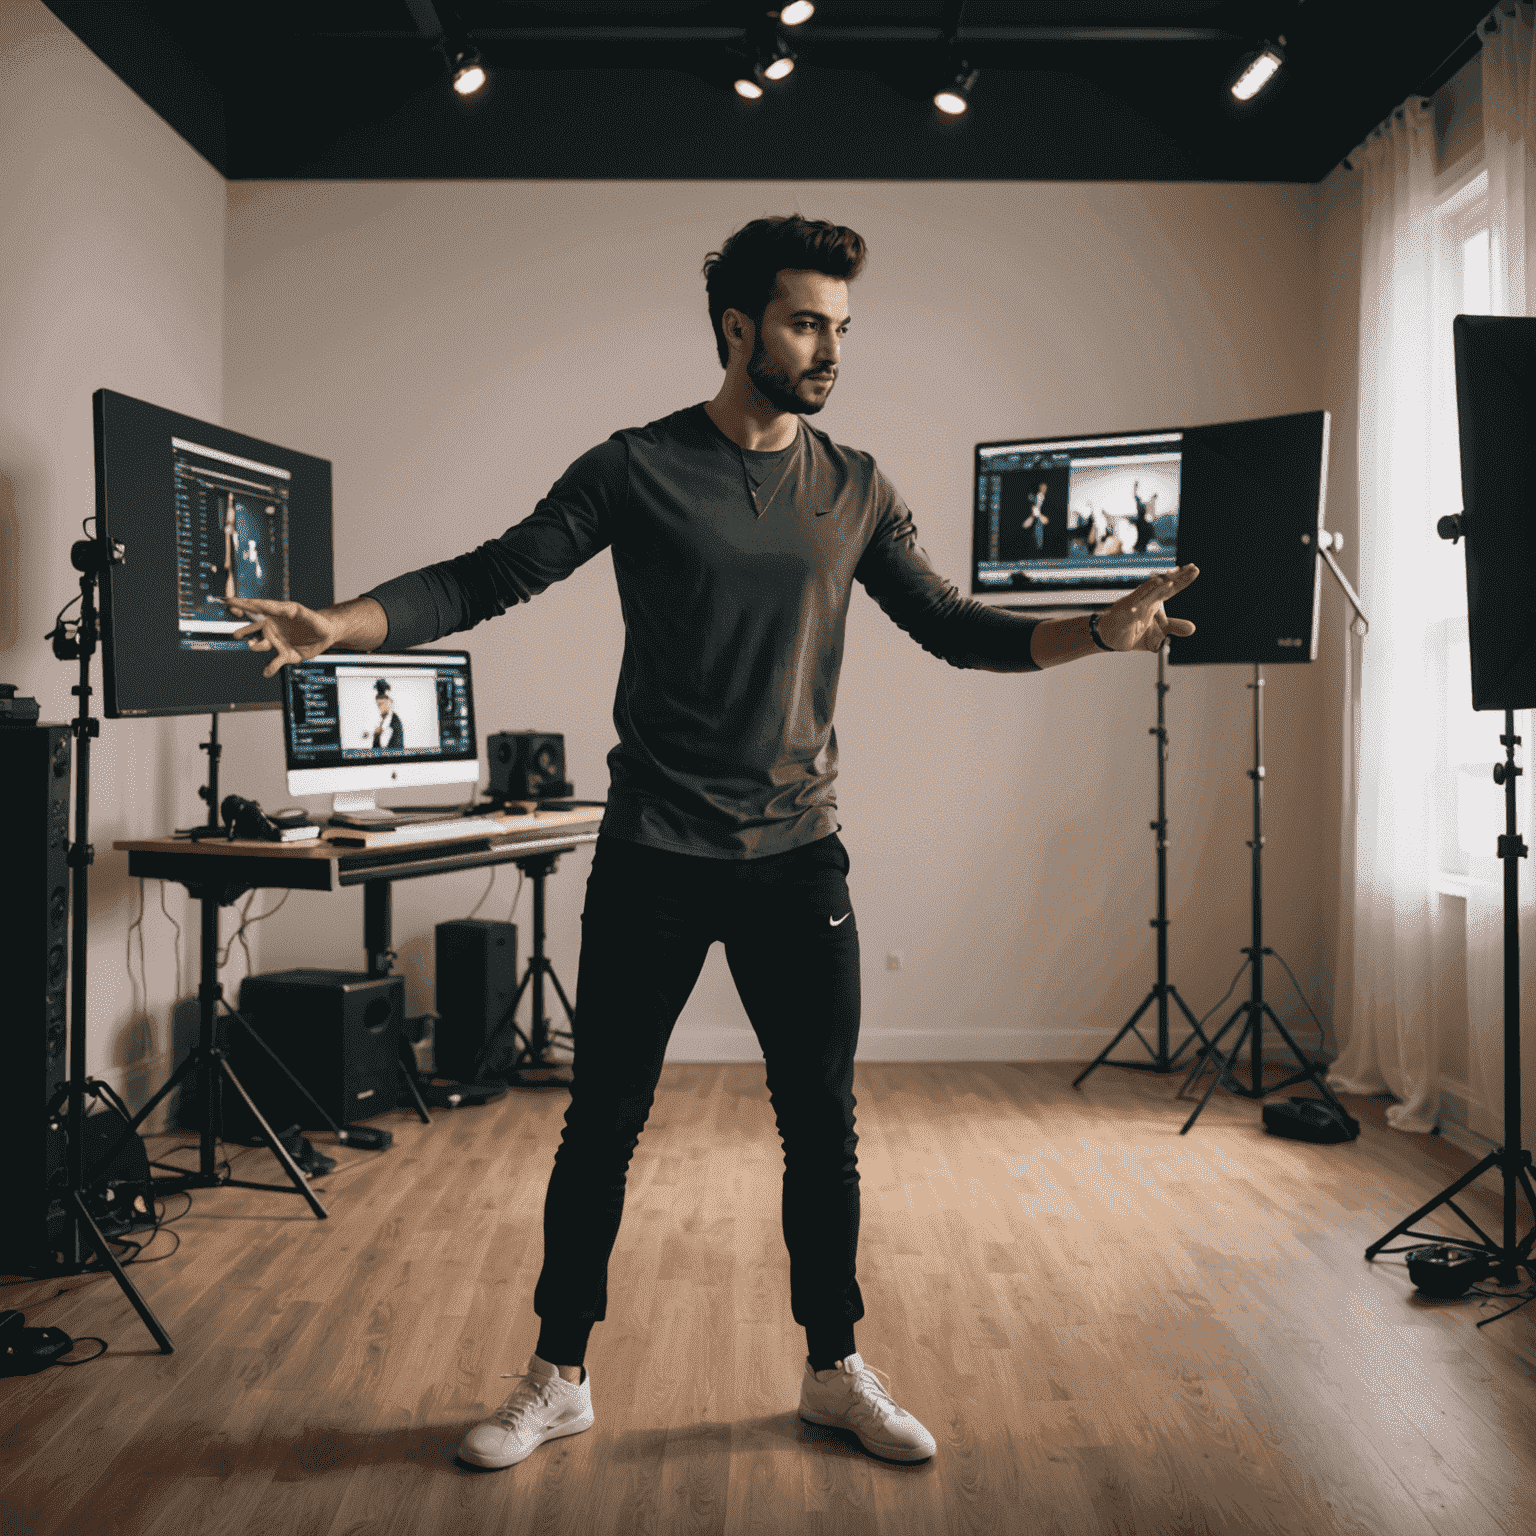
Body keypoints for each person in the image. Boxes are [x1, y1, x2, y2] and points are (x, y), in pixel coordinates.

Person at [223, 215, 1198, 1471]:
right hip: (656, 855)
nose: (829, 347)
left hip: (799, 857)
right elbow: (491, 574)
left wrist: (1097, 634)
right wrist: (344, 623)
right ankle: (556, 1374)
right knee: (603, 1122)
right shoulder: (635, 467)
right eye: (805, 322)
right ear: (738, 327)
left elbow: (959, 629)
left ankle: (835, 1368)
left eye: (842, 327)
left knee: (821, 1123)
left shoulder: (857, 487)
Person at [368, 679, 404, 749]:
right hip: (389, 718)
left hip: (392, 719)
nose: (379, 705)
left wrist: (382, 726)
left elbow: (388, 713)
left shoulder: (383, 699)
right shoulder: (381, 698)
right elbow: (385, 713)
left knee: (395, 741)